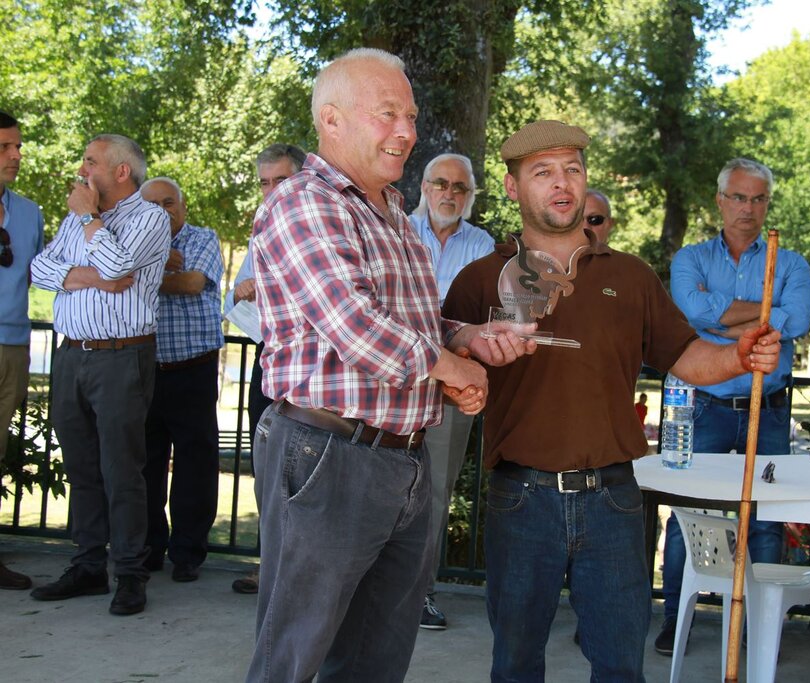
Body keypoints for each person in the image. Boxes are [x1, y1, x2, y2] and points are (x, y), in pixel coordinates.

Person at [442, 119, 782, 682]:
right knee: (515, 665)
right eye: (543, 172)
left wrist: (741, 356)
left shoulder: (630, 276)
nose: (561, 184)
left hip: (615, 499)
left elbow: (689, 357)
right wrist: (463, 385)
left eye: (572, 170)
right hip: (520, 499)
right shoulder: (480, 280)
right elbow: (452, 381)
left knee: (622, 668)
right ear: (511, 186)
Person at [244, 48, 532, 683]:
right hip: (328, 452)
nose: (407, 131)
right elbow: (353, 325)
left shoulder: (392, 213)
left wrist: (467, 337)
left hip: (399, 457)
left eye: (411, 114)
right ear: (331, 119)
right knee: (291, 657)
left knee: (377, 659)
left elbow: (409, 327)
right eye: (388, 113)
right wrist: (449, 368)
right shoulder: (304, 201)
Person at [656, 157, 810, 654]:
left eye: (758, 198)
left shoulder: (791, 263)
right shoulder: (690, 258)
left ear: (768, 204)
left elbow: (798, 319)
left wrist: (723, 317)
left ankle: (753, 627)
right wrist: (764, 314)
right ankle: (673, 622)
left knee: (764, 522)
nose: (748, 208)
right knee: (685, 518)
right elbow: (691, 309)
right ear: (720, 200)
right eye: (739, 197)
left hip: (765, 408)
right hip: (703, 406)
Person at [29, 134, 171, 615]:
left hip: (120, 357)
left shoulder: (149, 216)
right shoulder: (76, 219)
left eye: (91, 161)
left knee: (121, 469)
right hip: (71, 356)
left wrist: (90, 221)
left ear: (121, 172)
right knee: (82, 467)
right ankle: (88, 566)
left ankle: (130, 573)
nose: (82, 169)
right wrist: (90, 272)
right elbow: (40, 268)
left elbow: (118, 265)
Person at [409, 152, 495, 629]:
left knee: (436, 491)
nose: (449, 193)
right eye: (440, 183)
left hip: (451, 385)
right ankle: (370, 591)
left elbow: (487, 317)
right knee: (376, 486)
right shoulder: (396, 231)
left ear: (470, 196)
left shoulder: (482, 246)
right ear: (423, 186)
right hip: (395, 380)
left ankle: (419, 594)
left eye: (459, 188)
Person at [223, 142, 305, 595]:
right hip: (269, 360)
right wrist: (248, 289)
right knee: (267, 468)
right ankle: (268, 565)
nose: (272, 191)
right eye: (265, 182)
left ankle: (301, 572)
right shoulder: (260, 232)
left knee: (309, 471)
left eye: (281, 180)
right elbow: (232, 299)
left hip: (312, 370)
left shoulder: (324, 226)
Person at [139, 177, 224, 583]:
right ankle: (149, 548)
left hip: (194, 367)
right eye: (152, 204)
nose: (161, 210)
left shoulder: (204, 238)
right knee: (146, 462)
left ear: (183, 207)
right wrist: (157, 265)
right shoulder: (134, 242)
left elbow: (192, 283)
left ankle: (188, 553)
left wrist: (138, 276)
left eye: (169, 203)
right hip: (145, 369)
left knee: (196, 462)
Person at [0, 111, 44, 590]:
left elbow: (42, 274)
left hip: (12, 346)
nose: (15, 155)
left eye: (17, 146)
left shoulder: (29, 213)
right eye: (4, 147)